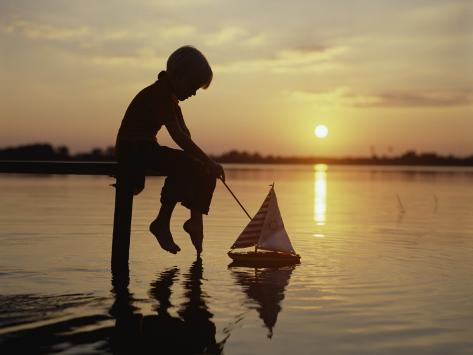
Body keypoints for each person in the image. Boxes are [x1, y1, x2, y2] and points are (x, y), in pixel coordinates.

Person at [115, 45, 225, 255]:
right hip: (132, 149)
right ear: (178, 76)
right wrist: (209, 161)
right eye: (193, 85)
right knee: (184, 164)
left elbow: (187, 136)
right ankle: (161, 222)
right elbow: (179, 138)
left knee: (200, 166)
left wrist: (207, 165)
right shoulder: (159, 95)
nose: (193, 93)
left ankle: (195, 223)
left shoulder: (171, 100)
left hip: (146, 147)